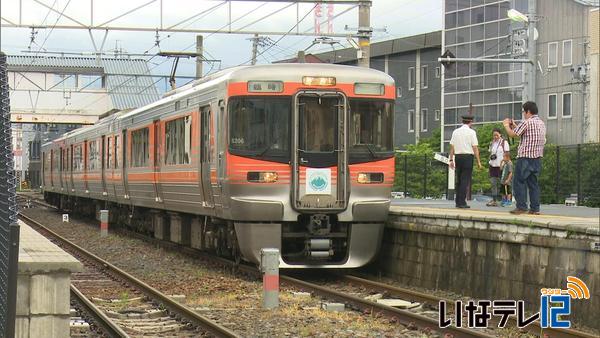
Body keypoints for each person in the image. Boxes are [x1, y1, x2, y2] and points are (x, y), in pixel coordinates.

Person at [502, 101, 546, 215]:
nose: (523, 114)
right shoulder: (541, 123)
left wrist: (506, 125)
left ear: (528, 111)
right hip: (536, 158)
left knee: (518, 182)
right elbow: (526, 134)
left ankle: (521, 207)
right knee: (533, 184)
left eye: (523, 112)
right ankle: (535, 209)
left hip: (525, 157)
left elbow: (512, 134)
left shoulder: (526, 122)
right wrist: (516, 126)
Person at [449, 115, 482, 209]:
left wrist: (451, 159)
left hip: (458, 157)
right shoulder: (472, 132)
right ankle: (462, 202)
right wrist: (478, 161)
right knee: (465, 180)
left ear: (462, 121)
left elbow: (452, 147)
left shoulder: (455, 132)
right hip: (468, 157)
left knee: (459, 179)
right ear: (471, 122)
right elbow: (475, 147)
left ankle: (458, 201)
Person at [486, 128, 509, 206]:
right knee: (493, 183)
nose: (495, 137)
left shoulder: (504, 142)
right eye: (494, 135)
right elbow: (490, 153)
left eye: (497, 135)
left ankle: (505, 200)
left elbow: (507, 154)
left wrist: (504, 163)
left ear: (500, 134)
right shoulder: (491, 143)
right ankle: (494, 200)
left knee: (503, 183)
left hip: (501, 166)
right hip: (493, 165)